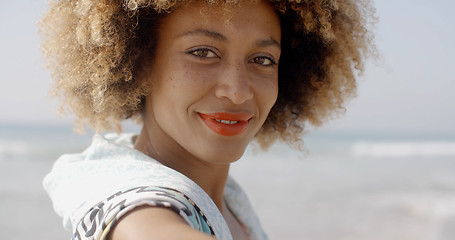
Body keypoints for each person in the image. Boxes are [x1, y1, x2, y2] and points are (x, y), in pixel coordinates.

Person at [39, 0, 375, 239]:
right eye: (203, 52)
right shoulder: (132, 200)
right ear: (140, 64)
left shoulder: (230, 198)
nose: (238, 91)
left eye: (262, 59)